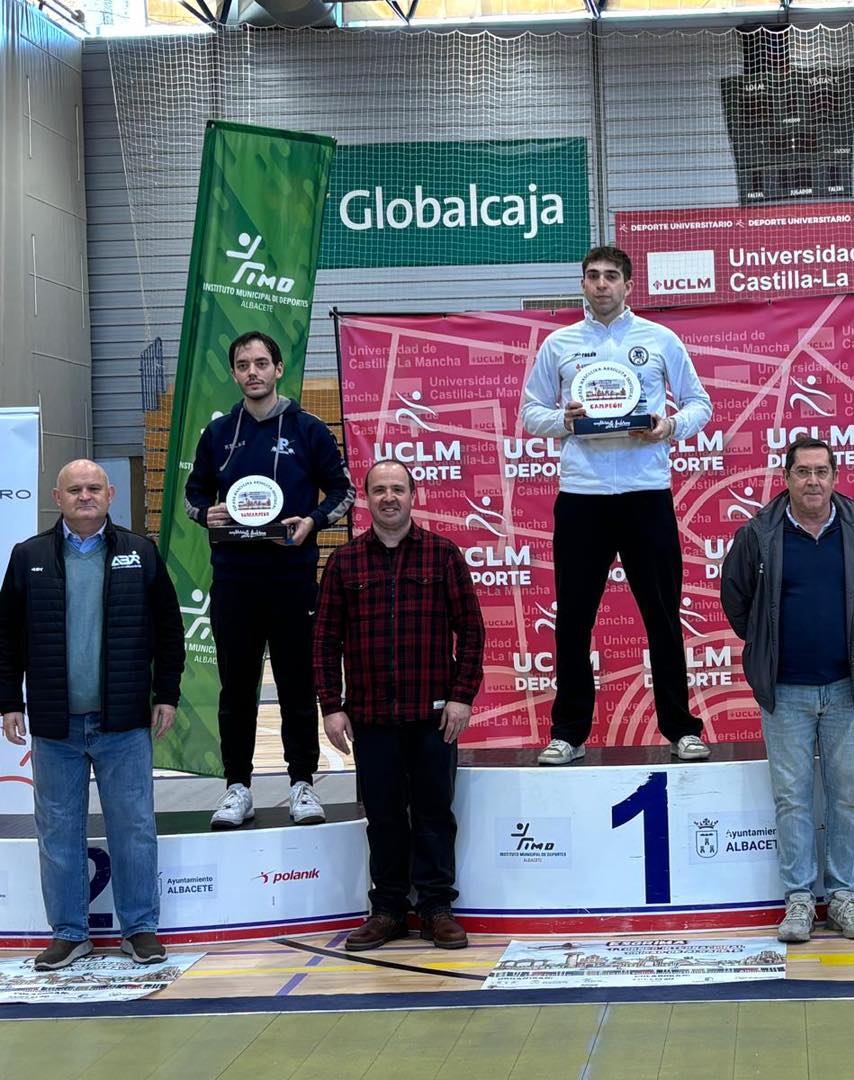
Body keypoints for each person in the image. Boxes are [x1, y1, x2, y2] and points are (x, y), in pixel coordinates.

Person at [519, 245, 714, 765]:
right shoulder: (559, 344)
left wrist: (670, 426)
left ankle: (682, 729)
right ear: (582, 284)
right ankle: (568, 733)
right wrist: (565, 419)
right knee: (574, 620)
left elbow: (701, 403)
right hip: (581, 498)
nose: (601, 284)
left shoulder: (659, 339)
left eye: (611, 276)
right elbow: (529, 413)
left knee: (663, 617)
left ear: (628, 285)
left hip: (646, 495)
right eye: (592, 276)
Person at [0, 460, 183, 970]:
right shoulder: (28, 556)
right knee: (58, 830)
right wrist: (9, 701)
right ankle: (69, 933)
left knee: (134, 826)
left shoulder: (140, 553)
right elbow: (6, 637)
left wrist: (166, 693)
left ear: (111, 494)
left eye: (94, 488)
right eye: (75, 489)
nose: (85, 496)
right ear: (56, 497)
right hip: (57, 725)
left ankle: (140, 929)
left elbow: (170, 629)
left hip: (123, 723)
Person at [721, 437, 854, 943]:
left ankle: (842, 897)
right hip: (786, 693)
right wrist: (768, 648)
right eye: (803, 472)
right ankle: (798, 900)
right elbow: (737, 602)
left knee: (846, 801)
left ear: (835, 477)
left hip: (847, 691)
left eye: (821, 471)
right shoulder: (757, 535)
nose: (813, 481)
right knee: (792, 800)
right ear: (786, 477)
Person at [185, 330, 355, 829]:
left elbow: (342, 491)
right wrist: (207, 515)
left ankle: (302, 782)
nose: (252, 372)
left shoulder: (308, 429)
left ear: (278, 369)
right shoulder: (217, 434)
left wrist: (313, 522)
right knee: (235, 689)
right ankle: (237, 786)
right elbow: (194, 496)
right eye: (243, 364)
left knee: (297, 686)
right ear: (235, 373)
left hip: (292, 579)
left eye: (261, 362)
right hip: (235, 580)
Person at [313, 460, 485, 951]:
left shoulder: (443, 555)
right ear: (366, 498)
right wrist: (332, 705)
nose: (389, 497)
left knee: (434, 814)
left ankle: (435, 908)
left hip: (434, 716)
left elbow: (471, 632)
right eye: (379, 490)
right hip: (370, 718)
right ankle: (388, 909)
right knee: (385, 817)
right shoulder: (344, 563)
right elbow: (324, 640)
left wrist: (460, 695)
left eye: (398, 489)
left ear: (414, 495)